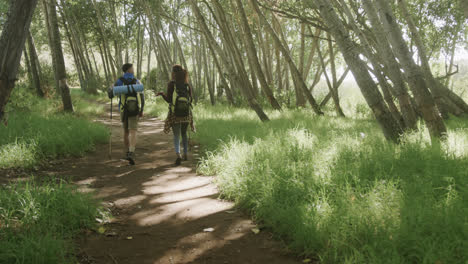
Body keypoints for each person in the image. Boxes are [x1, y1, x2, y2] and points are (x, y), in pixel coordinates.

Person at [156, 65, 195, 166]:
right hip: (186, 114)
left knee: (176, 135)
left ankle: (178, 154)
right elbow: (191, 99)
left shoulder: (171, 84)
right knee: (184, 134)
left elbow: (169, 100)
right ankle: (186, 153)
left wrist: (161, 94)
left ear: (173, 73)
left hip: (175, 114)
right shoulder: (187, 85)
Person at [108, 63, 145, 165]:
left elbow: (110, 95)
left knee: (126, 132)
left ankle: (127, 151)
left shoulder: (120, 81)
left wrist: (111, 88)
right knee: (133, 131)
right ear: (129, 70)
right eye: (132, 68)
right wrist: (141, 110)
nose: (133, 69)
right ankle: (131, 152)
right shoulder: (137, 81)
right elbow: (142, 97)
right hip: (134, 110)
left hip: (123, 109)